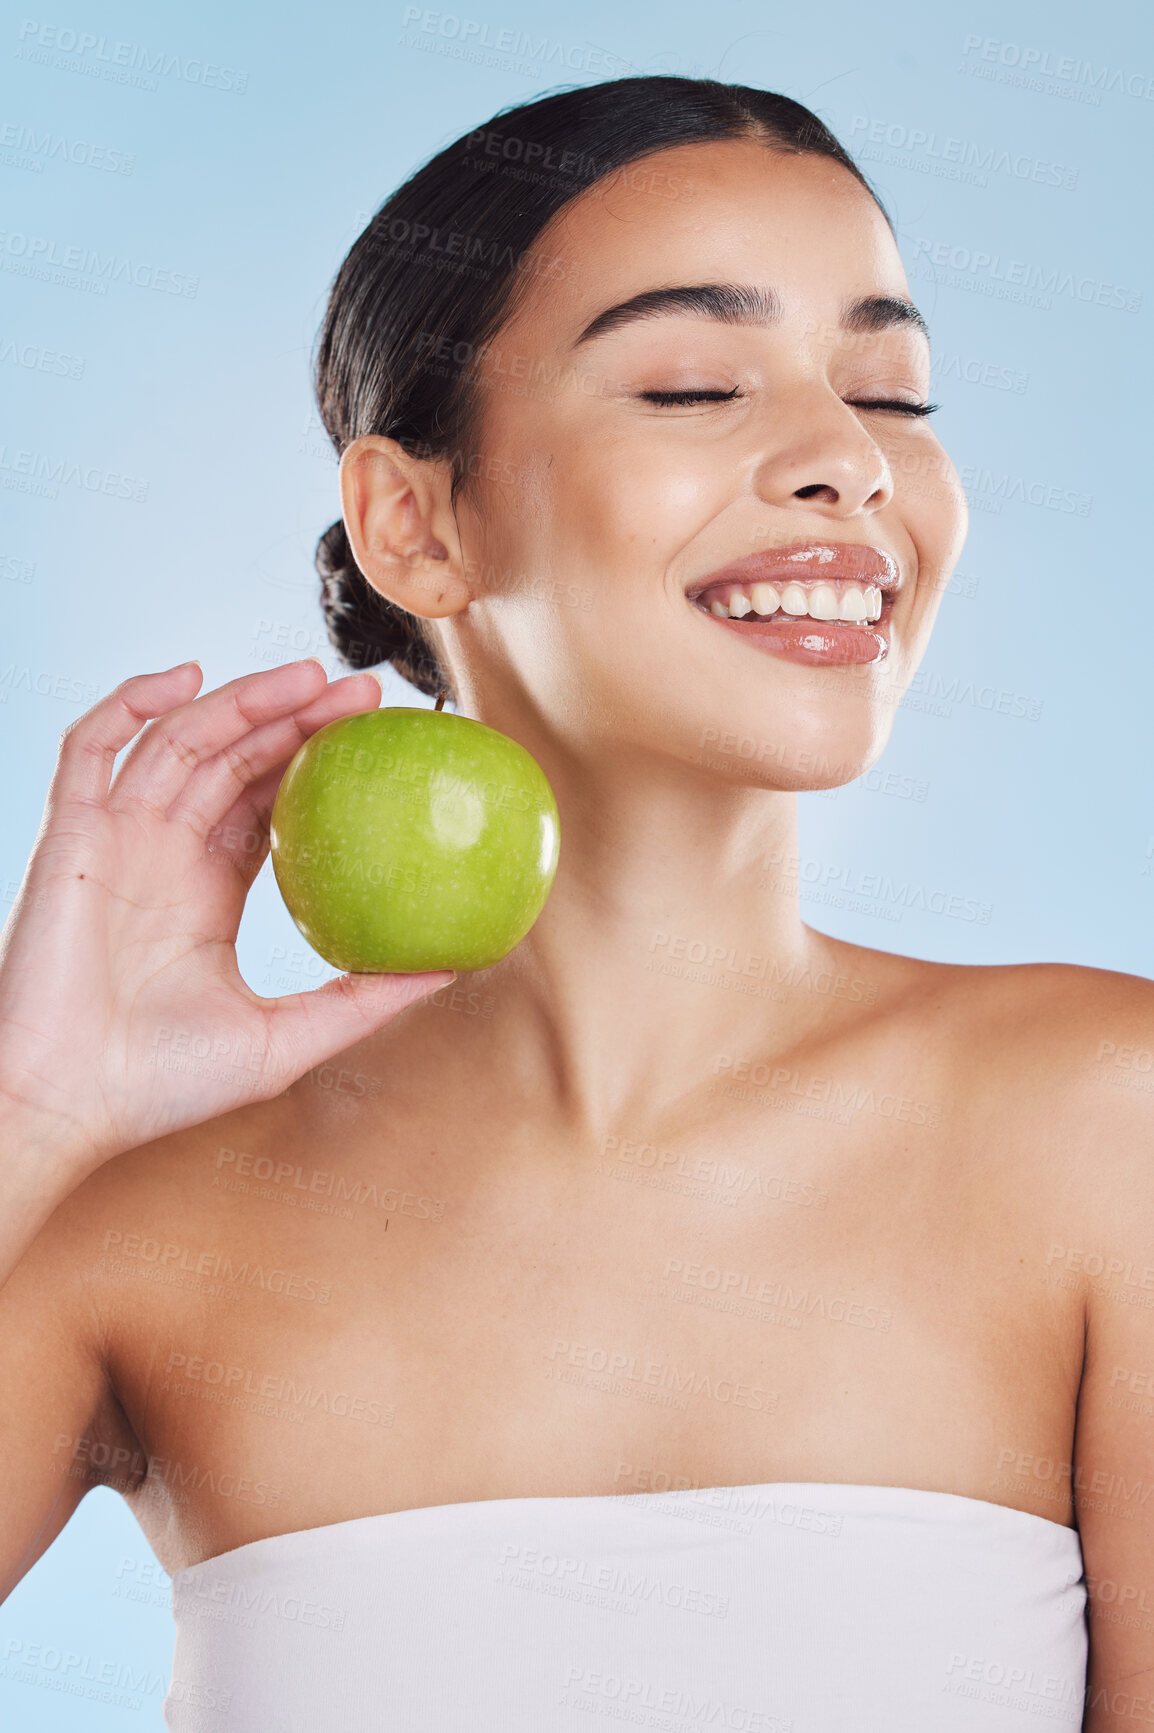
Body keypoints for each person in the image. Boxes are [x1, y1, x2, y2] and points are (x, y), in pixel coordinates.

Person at [0, 73, 1149, 1732]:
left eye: (893, 393)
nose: (847, 461)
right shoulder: (139, 1221)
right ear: (415, 519)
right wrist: (33, 1116)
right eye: (692, 383)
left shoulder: (1107, 1124)